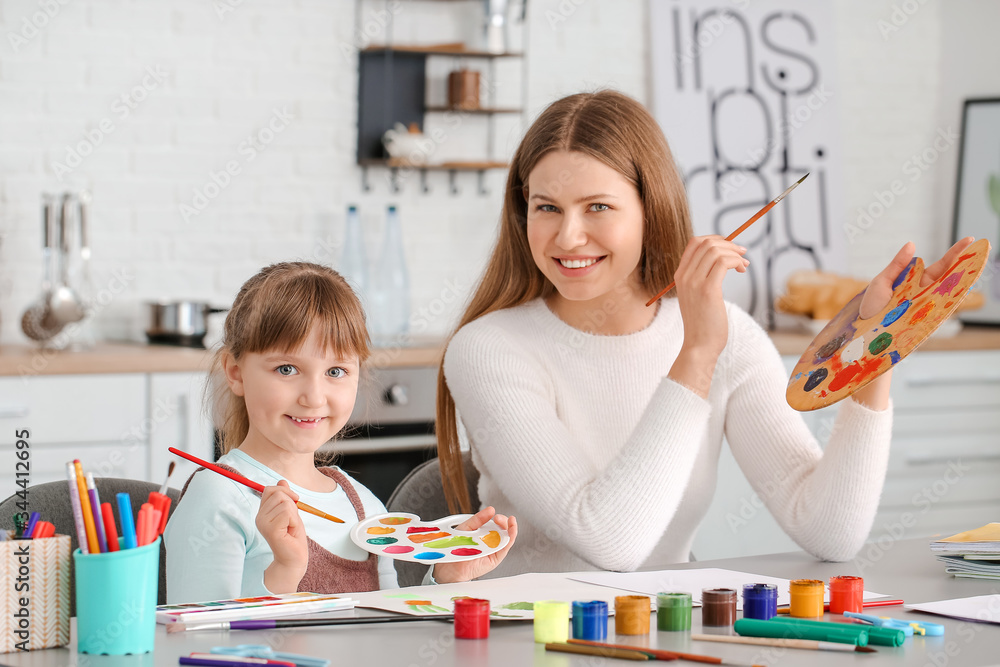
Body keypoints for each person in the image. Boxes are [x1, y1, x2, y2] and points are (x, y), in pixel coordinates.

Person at [435, 90, 974, 579]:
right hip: (523, 641)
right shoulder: (489, 350)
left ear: (652, 210)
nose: (568, 236)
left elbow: (830, 533)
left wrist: (878, 349)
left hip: (665, 635)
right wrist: (696, 354)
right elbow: (610, 542)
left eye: (597, 207)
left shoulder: (728, 337)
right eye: (546, 207)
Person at [165, 262, 516, 603]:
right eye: (286, 369)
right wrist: (285, 572)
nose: (314, 397)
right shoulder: (218, 500)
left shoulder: (363, 505)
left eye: (335, 371)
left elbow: (387, 621)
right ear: (235, 372)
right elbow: (198, 640)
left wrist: (443, 578)